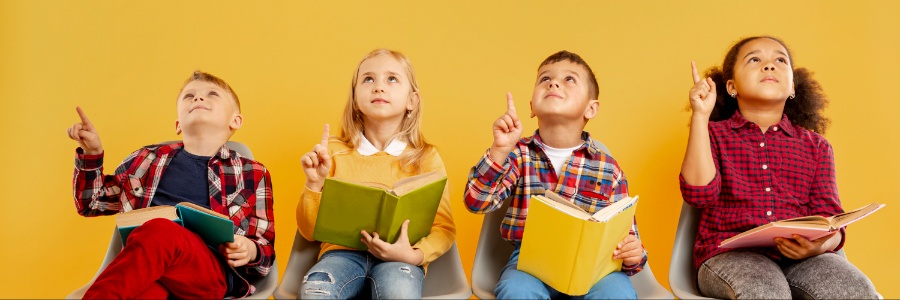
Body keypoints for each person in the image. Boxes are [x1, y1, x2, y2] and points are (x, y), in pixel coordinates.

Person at [680, 36, 878, 299]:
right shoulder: (712, 134)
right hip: (730, 258)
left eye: (780, 60)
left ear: (793, 87)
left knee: (855, 289)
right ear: (731, 86)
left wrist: (819, 246)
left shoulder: (817, 146)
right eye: (754, 59)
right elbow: (699, 195)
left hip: (804, 258)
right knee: (764, 291)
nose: (769, 66)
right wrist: (701, 116)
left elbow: (831, 220)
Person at [67, 71, 275, 299]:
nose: (198, 99)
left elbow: (265, 248)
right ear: (177, 124)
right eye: (189, 96)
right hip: (150, 270)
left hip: (207, 276)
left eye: (211, 94)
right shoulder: (144, 159)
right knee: (143, 293)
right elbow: (92, 203)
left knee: (161, 229)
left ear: (235, 120)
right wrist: (92, 152)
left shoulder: (252, 172)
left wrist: (249, 249)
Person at [464, 50, 645, 299]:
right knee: (516, 290)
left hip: (594, 269)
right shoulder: (518, 155)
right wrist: (499, 150)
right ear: (531, 107)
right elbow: (476, 202)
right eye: (544, 79)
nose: (554, 83)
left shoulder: (609, 168)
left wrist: (634, 254)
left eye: (569, 79)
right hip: (531, 263)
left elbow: (628, 238)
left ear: (591, 109)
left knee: (618, 294)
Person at [295, 48, 456, 299]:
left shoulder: (427, 157)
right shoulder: (333, 153)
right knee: (316, 291)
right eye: (368, 79)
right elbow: (308, 231)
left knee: (399, 293)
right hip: (341, 254)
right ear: (355, 98)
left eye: (392, 79)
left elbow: (444, 227)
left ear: (412, 100)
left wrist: (413, 255)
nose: (379, 87)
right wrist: (314, 184)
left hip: (400, 258)